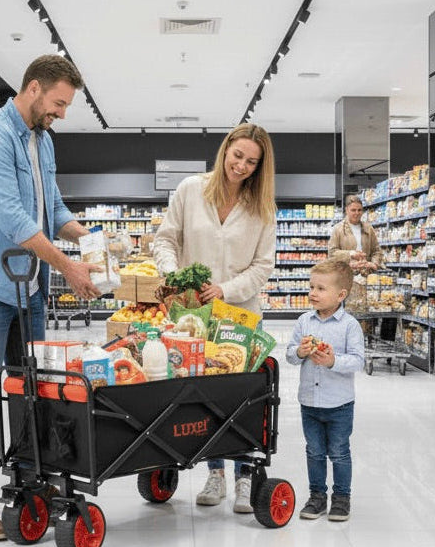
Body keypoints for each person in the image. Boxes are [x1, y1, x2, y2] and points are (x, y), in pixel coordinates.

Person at [0, 54, 102, 541]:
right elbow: (14, 219)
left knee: (33, 387)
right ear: (33, 88)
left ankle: (32, 482)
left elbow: (51, 207)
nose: (61, 114)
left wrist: (90, 240)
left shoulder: (43, 141)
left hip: (26, 284)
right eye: (58, 103)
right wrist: (68, 267)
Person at [153, 123, 276, 514]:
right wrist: (173, 275)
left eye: (251, 162)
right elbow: (166, 239)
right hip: (194, 317)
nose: (241, 166)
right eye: (237, 155)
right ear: (225, 150)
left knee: (240, 397)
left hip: (240, 317)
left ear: (260, 167)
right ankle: (215, 472)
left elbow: (263, 267)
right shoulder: (190, 190)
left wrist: (226, 289)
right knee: (204, 397)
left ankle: (244, 476)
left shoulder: (262, 208)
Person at [285, 259, 364, 522]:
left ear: (341, 295)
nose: (312, 293)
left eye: (320, 288)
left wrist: (333, 361)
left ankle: (341, 498)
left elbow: (357, 360)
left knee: (339, 451)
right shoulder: (304, 321)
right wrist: (299, 351)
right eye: (311, 286)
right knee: (314, 451)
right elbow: (289, 355)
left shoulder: (349, 325)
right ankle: (317, 496)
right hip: (309, 401)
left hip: (339, 403)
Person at [328, 194, 395, 339]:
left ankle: (366, 342)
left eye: (359, 210)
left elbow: (377, 250)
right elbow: (332, 253)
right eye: (353, 210)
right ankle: (348, 340)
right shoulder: (338, 229)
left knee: (366, 313)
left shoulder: (368, 229)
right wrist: (351, 254)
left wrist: (374, 263)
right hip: (347, 278)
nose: (357, 213)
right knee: (350, 313)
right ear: (346, 210)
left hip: (366, 278)